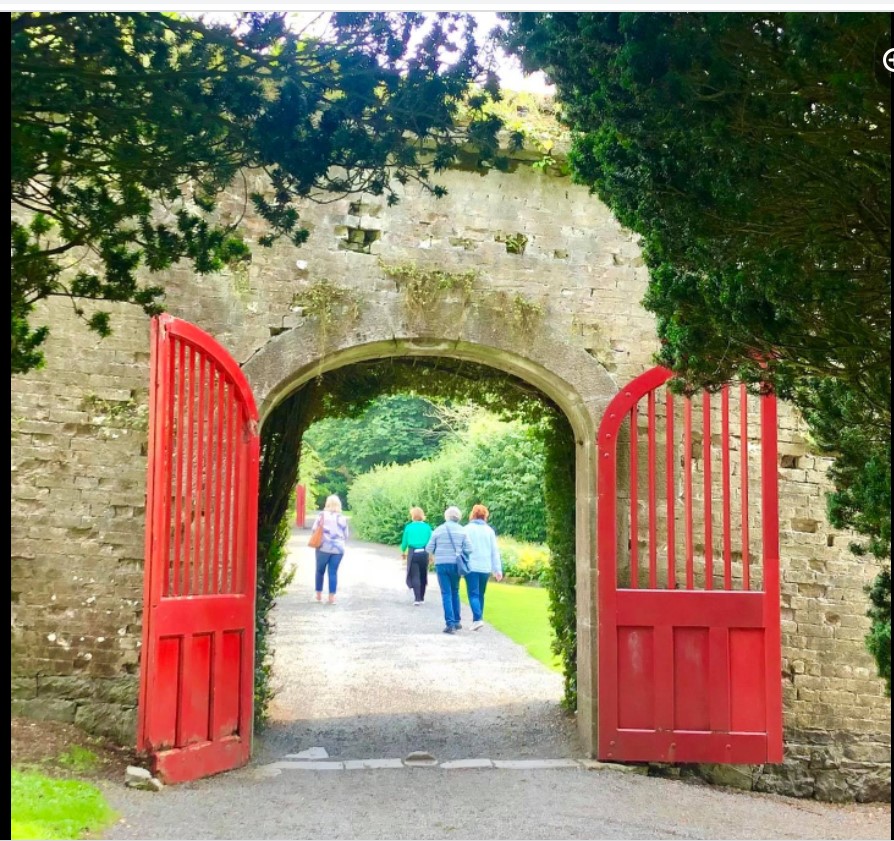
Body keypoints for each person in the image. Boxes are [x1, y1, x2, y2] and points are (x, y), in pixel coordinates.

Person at [426, 506, 472, 634]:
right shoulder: (462, 531)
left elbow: (429, 548)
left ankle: (450, 623)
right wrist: (459, 552)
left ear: (446, 516)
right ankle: (457, 621)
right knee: (455, 591)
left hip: (441, 564)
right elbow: (469, 549)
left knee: (446, 593)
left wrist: (435, 554)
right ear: (458, 517)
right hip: (456, 565)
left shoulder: (439, 530)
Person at [463, 504, 503, 631]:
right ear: (485, 515)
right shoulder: (489, 531)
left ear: (473, 514)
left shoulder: (467, 529)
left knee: (473, 594)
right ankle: (478, 618)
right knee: (481, 594)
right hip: (485, 567)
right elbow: (494, 551)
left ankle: (478, 618)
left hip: (471, 566)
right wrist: (497, 569)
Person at [311, 494, 349, 604]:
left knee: (319, 571)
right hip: (338, 550)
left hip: (323, 548)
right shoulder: (343, 518)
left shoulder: (322, 515)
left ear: (327, 504)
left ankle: (318, 595)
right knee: (333, 572)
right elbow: (346, 535)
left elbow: (314, 529)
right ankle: (331, 598)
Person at [400, 506, 433, 605]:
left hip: (413, 552)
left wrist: (403, 552)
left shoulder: (409, 527)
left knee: (415, 575)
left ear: (412, 516)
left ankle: (417, 598)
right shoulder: (427, 527)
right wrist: (431, 555)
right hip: (424, 552)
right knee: (423, 574)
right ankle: (422, 597)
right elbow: (431, 542)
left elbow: (404, 542)